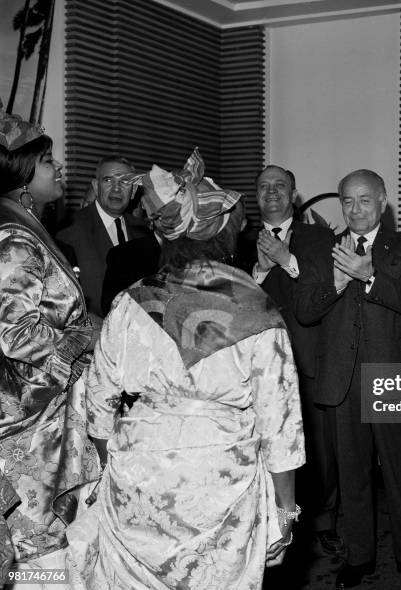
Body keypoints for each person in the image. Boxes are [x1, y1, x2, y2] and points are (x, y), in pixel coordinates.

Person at [66, 151, 306, 590]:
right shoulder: (256, 306)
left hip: (138, 477)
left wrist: (109, 465)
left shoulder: (131, 301)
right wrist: (286, 511)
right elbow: (281, 423)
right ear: (223, 232)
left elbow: (97, 399)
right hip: (222, 481)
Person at [296, 169, 401, 589]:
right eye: (348, 201)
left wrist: (369, 276)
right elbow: (306, 310)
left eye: (365, 200)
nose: (356, 209)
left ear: (383, 202)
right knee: (353, 474)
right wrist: (337, 280)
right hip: (342, 378)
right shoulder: (322, 250)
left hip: (393, 374)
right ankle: (359, 558)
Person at [0, 106, 98, 570]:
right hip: (31, 418)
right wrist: (78, 347)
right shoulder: (13, 237)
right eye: (48, 161)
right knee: (36, 552)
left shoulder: (27, 225)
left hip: (50, 411)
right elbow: (15, 332)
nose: (61, 167)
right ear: (23, 175)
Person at [252, 165, 340, 555]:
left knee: (318, 446)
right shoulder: (237, 238)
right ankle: (266, 516)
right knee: (264, 443)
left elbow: (325, 289)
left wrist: (287, 260)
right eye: (264, 186)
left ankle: (323, 520)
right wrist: (258, 270)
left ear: (293, 194)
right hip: (254, 362)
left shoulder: (319, 237)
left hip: (307, 355)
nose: (272, 192)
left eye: (280, 186)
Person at [56, 155, 150, 317]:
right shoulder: (70, 231)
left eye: (125, 182)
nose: (116, 189)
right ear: (96, 186)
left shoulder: (143, 232)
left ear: (134, 190)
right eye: (108, 180)